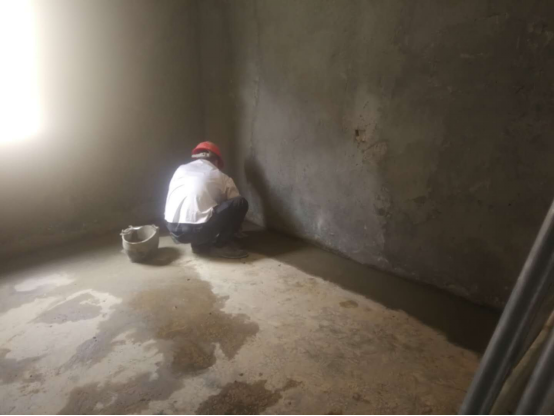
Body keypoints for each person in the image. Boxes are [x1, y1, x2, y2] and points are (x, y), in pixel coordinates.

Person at [165, 142, 249, 259]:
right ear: (216, 161)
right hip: (197, 231)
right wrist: (234, 229)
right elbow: (234, 204)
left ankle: (199, 244)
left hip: (173, 230)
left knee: (202, 208)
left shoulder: (180, 169)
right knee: (240, 202)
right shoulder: (221, 176)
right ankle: (221, 246)